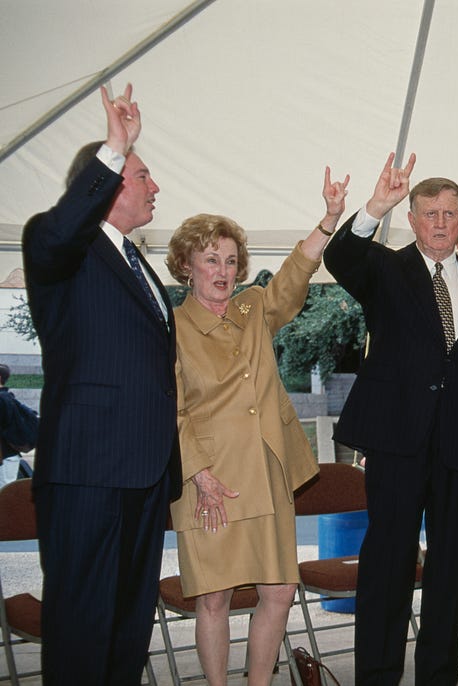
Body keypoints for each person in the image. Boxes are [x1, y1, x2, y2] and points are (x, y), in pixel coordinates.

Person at [322, 154, 458, 686]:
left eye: (450, 213)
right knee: (388, 566)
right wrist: (372, 206)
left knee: (450, 569)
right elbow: (340, 257)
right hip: (397, 440)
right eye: (430, 212)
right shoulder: (386, 269)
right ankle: (378, 676)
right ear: (411, 218)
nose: (440, 222)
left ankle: (438, 675)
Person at [21, 84, 181, 685]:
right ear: (110, 186)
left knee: (126, 627)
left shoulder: (137, 264)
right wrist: (116, 147)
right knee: (83, 628)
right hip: (88, 474)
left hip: (142, 475)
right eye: (144, 175)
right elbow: (63, 227)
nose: (154, 186)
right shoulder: (57, 246)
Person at [163, 168, 346, 684]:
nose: (223, 270)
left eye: (231, 259)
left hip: (266, 473)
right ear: (186, 266)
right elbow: (169, 409)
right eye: (210, 260)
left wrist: (329, 219)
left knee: (279, 592)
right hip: (210, 482)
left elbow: (292, 277)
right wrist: (198, 474)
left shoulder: (254, 307)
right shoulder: (171, 327)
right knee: (216, 596)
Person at [0, 363, 37, 486]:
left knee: (4, 494)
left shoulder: (3, 400)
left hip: (5, 458)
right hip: (7, 456)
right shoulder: (7, 398)